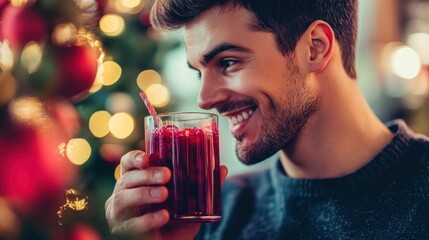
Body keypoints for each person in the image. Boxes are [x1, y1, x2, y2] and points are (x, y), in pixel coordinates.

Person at [105, 0, 429, 239]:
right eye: (199, 72)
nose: (205, 99)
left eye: (228, 62)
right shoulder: (209, 220)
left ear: (315, 48)